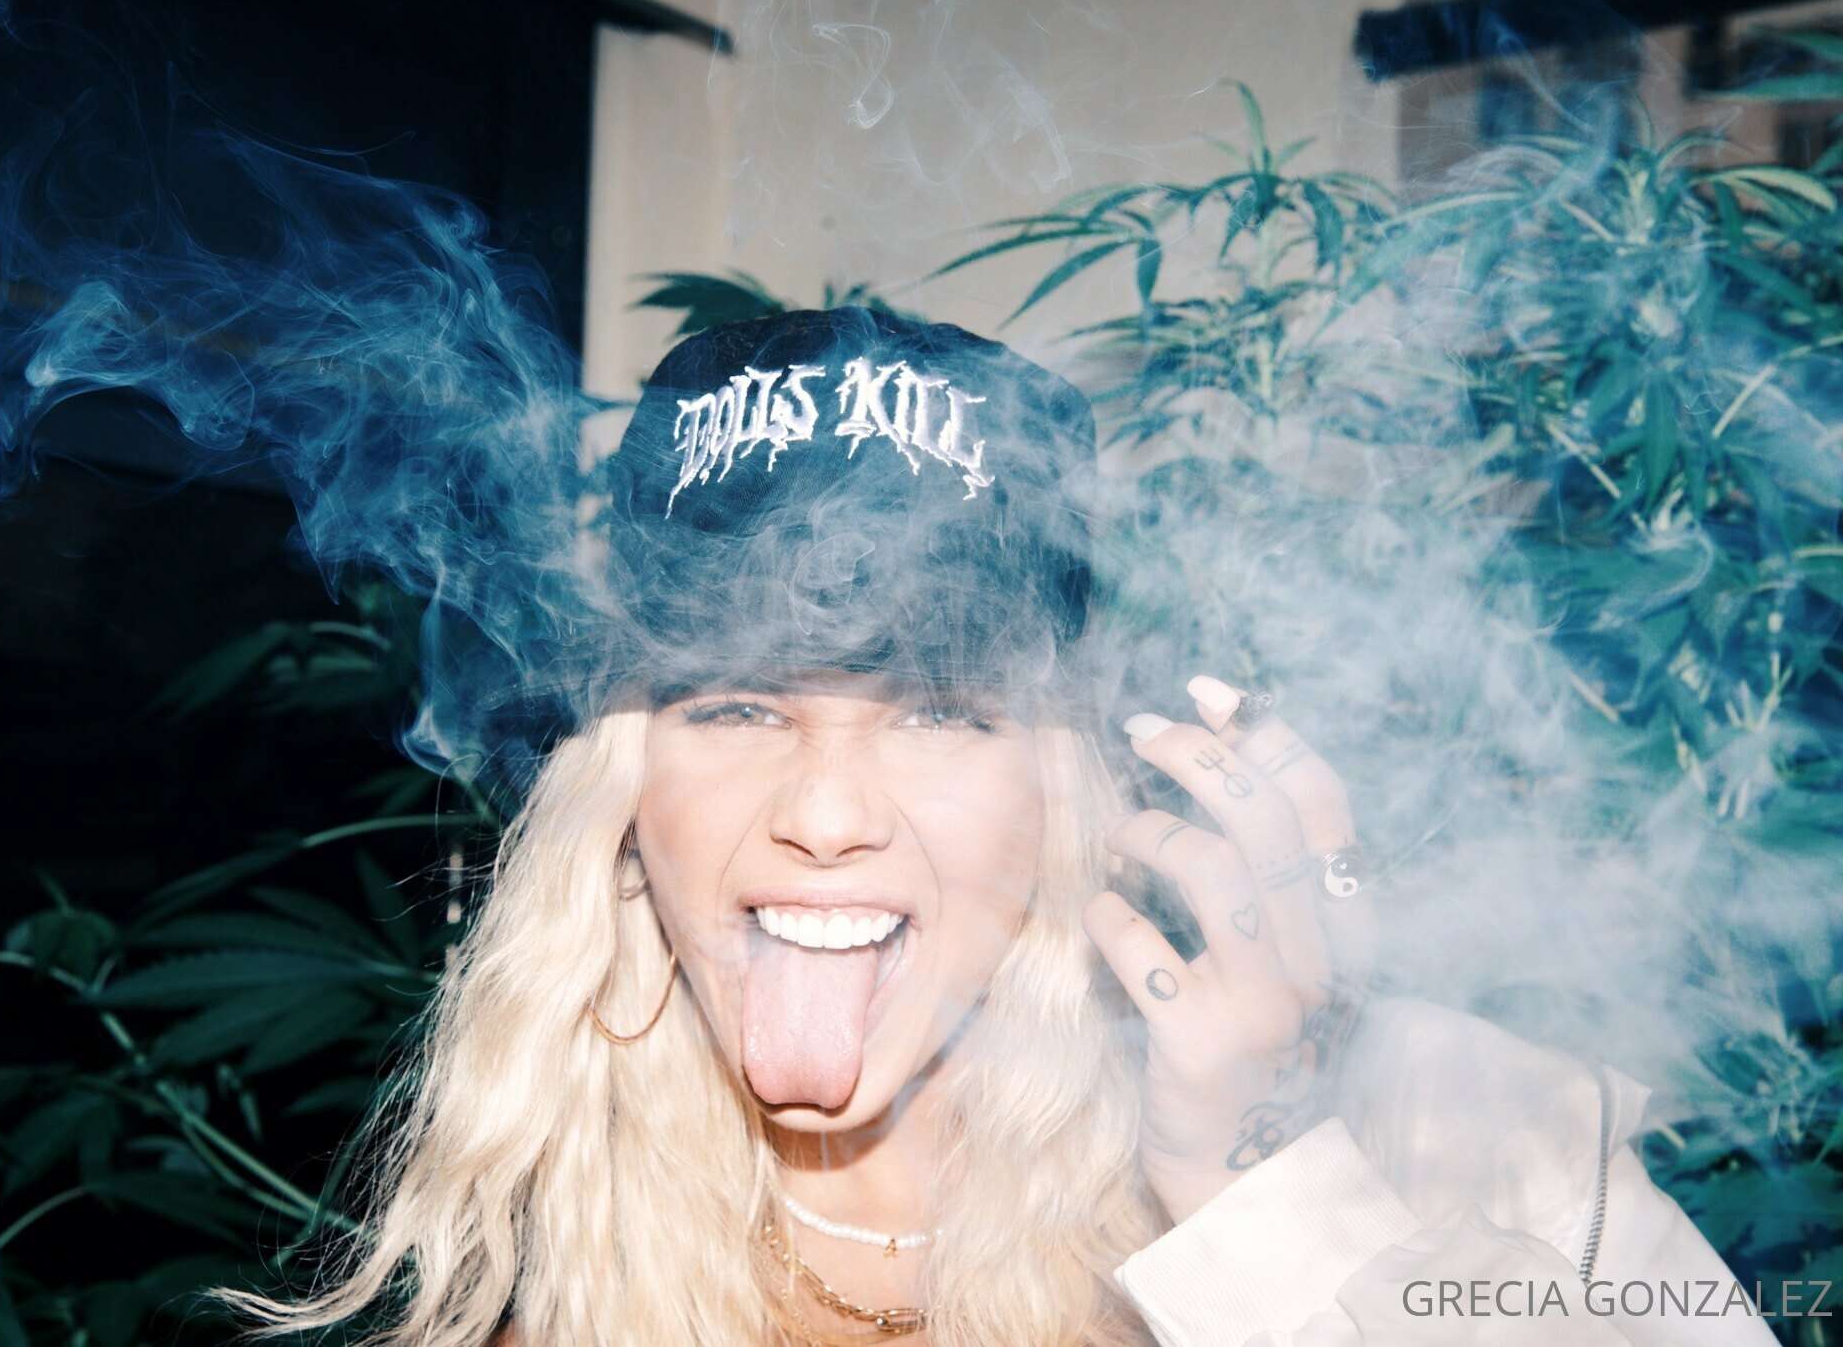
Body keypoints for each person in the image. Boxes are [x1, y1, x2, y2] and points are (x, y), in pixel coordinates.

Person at [215, 308, 1771, 1345]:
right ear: (624, 791)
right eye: (734, 705)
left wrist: (1260, 1185)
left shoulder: (1458, 1127)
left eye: (941, 710)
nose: (825, 814)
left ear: (1069, 778)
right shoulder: (550, 1268)